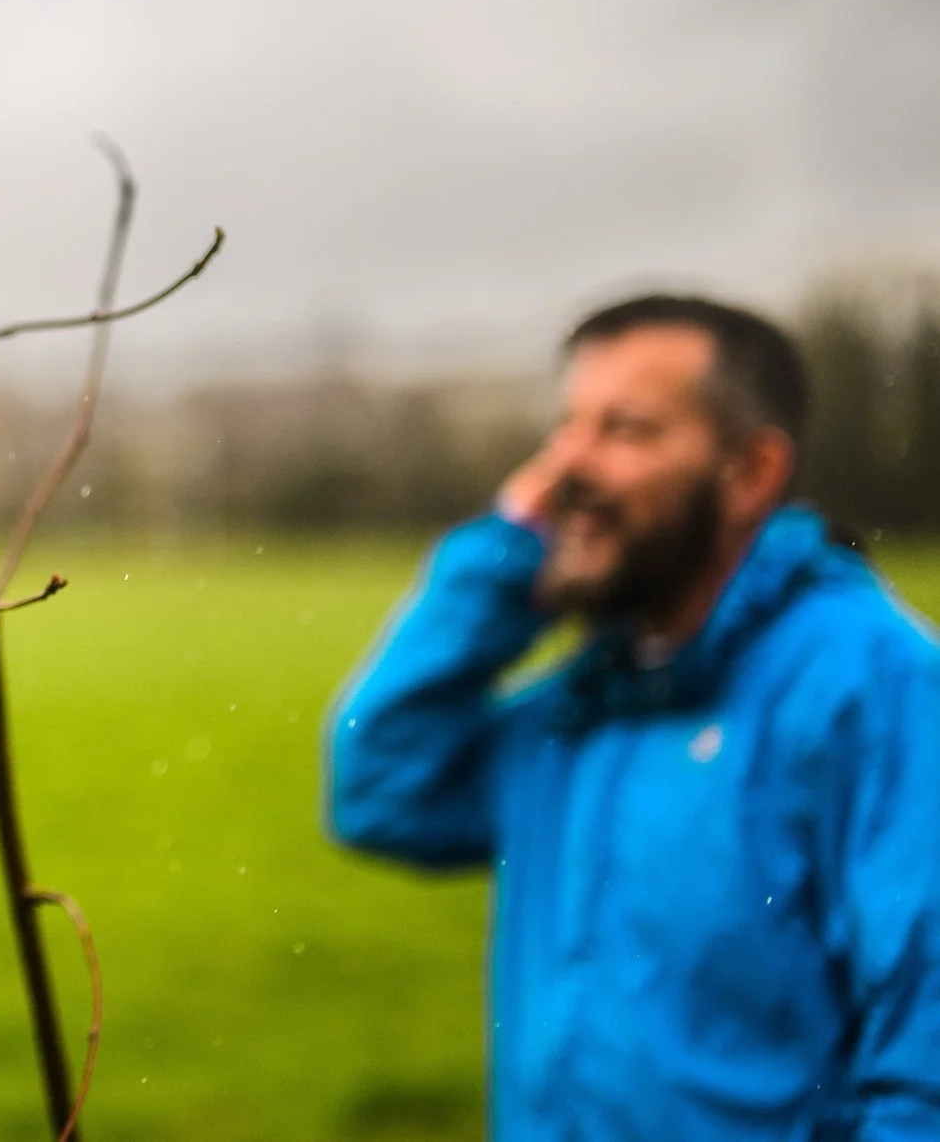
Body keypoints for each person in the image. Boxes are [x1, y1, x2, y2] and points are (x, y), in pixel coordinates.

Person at [327, 295, 940, 1138]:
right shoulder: (592, 696)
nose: (568, 463)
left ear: (750, 473)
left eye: (626, 429)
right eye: (566, 425)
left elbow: (927, 1060)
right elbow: (380, 783)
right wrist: (506, 554)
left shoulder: (874, 683)